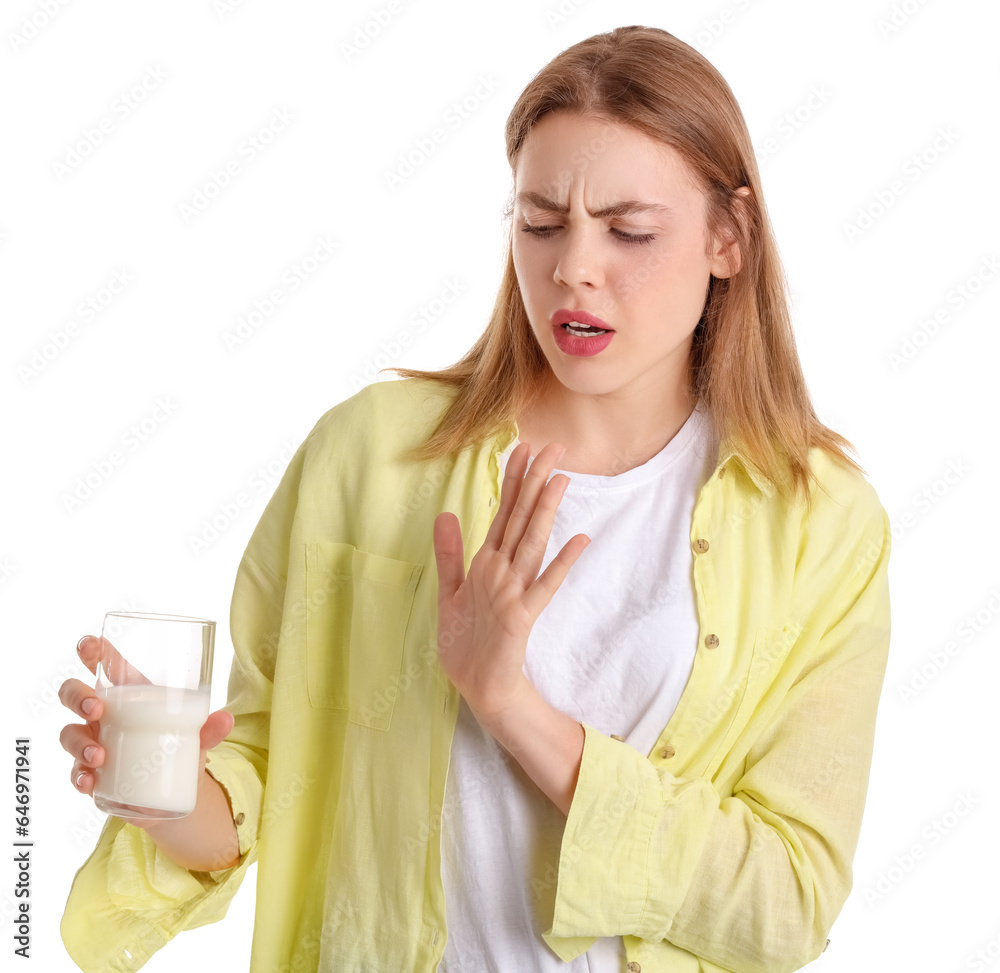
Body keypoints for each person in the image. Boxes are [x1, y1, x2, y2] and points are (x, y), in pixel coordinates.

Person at [58, 24, 891, 973]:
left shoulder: (819, 524)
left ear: (727, 238)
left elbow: (785, 905)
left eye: (629, 231)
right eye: (540, 223)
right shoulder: (370, 456)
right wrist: (166, 793)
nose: (574, 266)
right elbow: (259, 776)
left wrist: (510, 703)